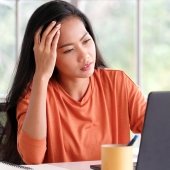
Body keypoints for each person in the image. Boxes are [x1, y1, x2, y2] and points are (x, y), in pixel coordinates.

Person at [1, 0, 146, 165]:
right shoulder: (34, 94)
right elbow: (32, 158)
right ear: (46, 55)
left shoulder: (117, 83)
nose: (85, 56)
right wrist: (41, 76)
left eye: (86, 41)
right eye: (69, 50)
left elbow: (159, 130)